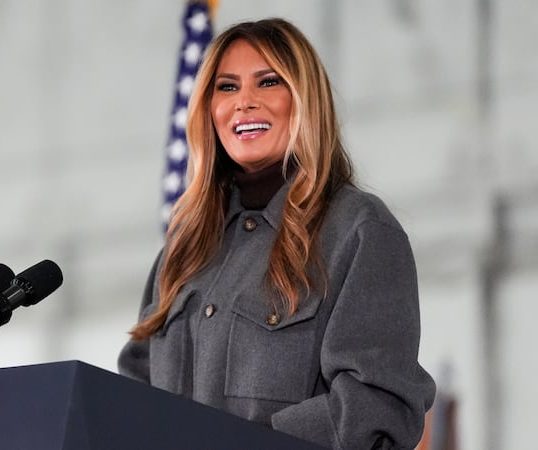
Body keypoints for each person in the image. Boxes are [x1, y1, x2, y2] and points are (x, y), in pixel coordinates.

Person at [118, 17, 436, 449]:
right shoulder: (186, 241)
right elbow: (132, 390)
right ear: (208, 110)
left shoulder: (359, 229)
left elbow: (375, 405)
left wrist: (245, 443)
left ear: (306, 99)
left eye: (268, 82)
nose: (244, 103)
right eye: (226, 87)